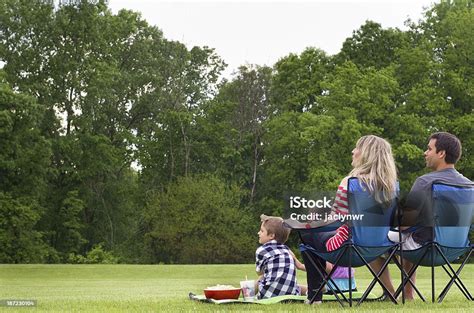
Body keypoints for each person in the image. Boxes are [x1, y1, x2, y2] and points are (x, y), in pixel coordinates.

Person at [302, 135, 398, 304]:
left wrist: (310, 222)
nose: (353, 151)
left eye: (357, 148)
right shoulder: (392, 186)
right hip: (377, 248)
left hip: (348, 250)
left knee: (307, 236)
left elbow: (334, 220)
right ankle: (389, 292)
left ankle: (315, 297)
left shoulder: (350, 183)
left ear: (367, 154)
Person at [383, 132, 473, 300]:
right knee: (411, 235)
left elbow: (405, 224)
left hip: (426, 248)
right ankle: (407, 294)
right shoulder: (469, 185)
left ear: (441, 153)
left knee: (376, 238)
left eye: (429, 148)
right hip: (456, 249)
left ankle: (390, 294)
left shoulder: (425, 181)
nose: (425, 153)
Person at [255, 214, 307, 299]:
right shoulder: (287, 250)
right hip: (291, 294)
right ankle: (317, 289)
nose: (258, 233)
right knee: (296, 286)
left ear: (272, 235)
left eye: (262, 231)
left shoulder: (261, 250)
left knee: (262, 277)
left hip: (267, 295)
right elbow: (299, 265)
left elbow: (259, 273)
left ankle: (248, 293)